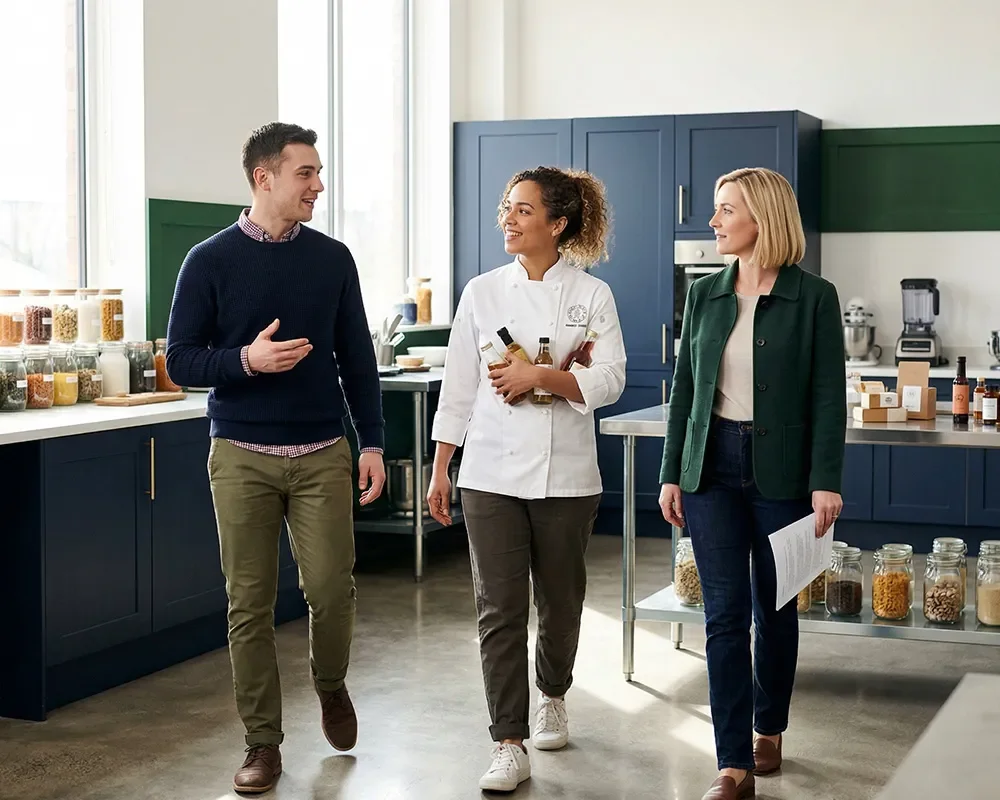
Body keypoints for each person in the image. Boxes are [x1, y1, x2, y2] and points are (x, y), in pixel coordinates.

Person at [166, 122, 386, 795]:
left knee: (330, 590)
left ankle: (330, 685)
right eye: (306, 173)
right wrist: (245, 361)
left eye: (317, 173)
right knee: (249, 603)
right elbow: (180, 360)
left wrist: (372, 442)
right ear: (266, 178)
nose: (318, 184)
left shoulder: (333, 258)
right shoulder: (208, 260)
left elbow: (359, 357)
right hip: (240, 454)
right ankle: (262, 743)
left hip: (323, 450)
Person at [426, 166, 626, 793]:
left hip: (568, 475)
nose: (507, 219)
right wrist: (440, 466)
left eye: (522, 210)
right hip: (488, 472)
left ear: (557, 224)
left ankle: (554, 694)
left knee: (561, 603)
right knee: (498, 609)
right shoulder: (482, 293)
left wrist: (541, 378)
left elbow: (611, 379)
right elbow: (459, 386)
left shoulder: (592, 296)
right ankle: (507, 741)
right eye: (506, 208)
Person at [658, 167, 846, 800]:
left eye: (725, 210)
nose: (713, 222)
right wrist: (672, 475)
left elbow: (828, 395)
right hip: (711, 468)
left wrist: (825, 480)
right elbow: (685, 391)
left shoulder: (814, 297)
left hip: (784, 475)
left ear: (761, 219)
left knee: (776, 608)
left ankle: (770, 725)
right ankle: (732, 762)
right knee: (723, 616)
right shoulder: (706, 295)